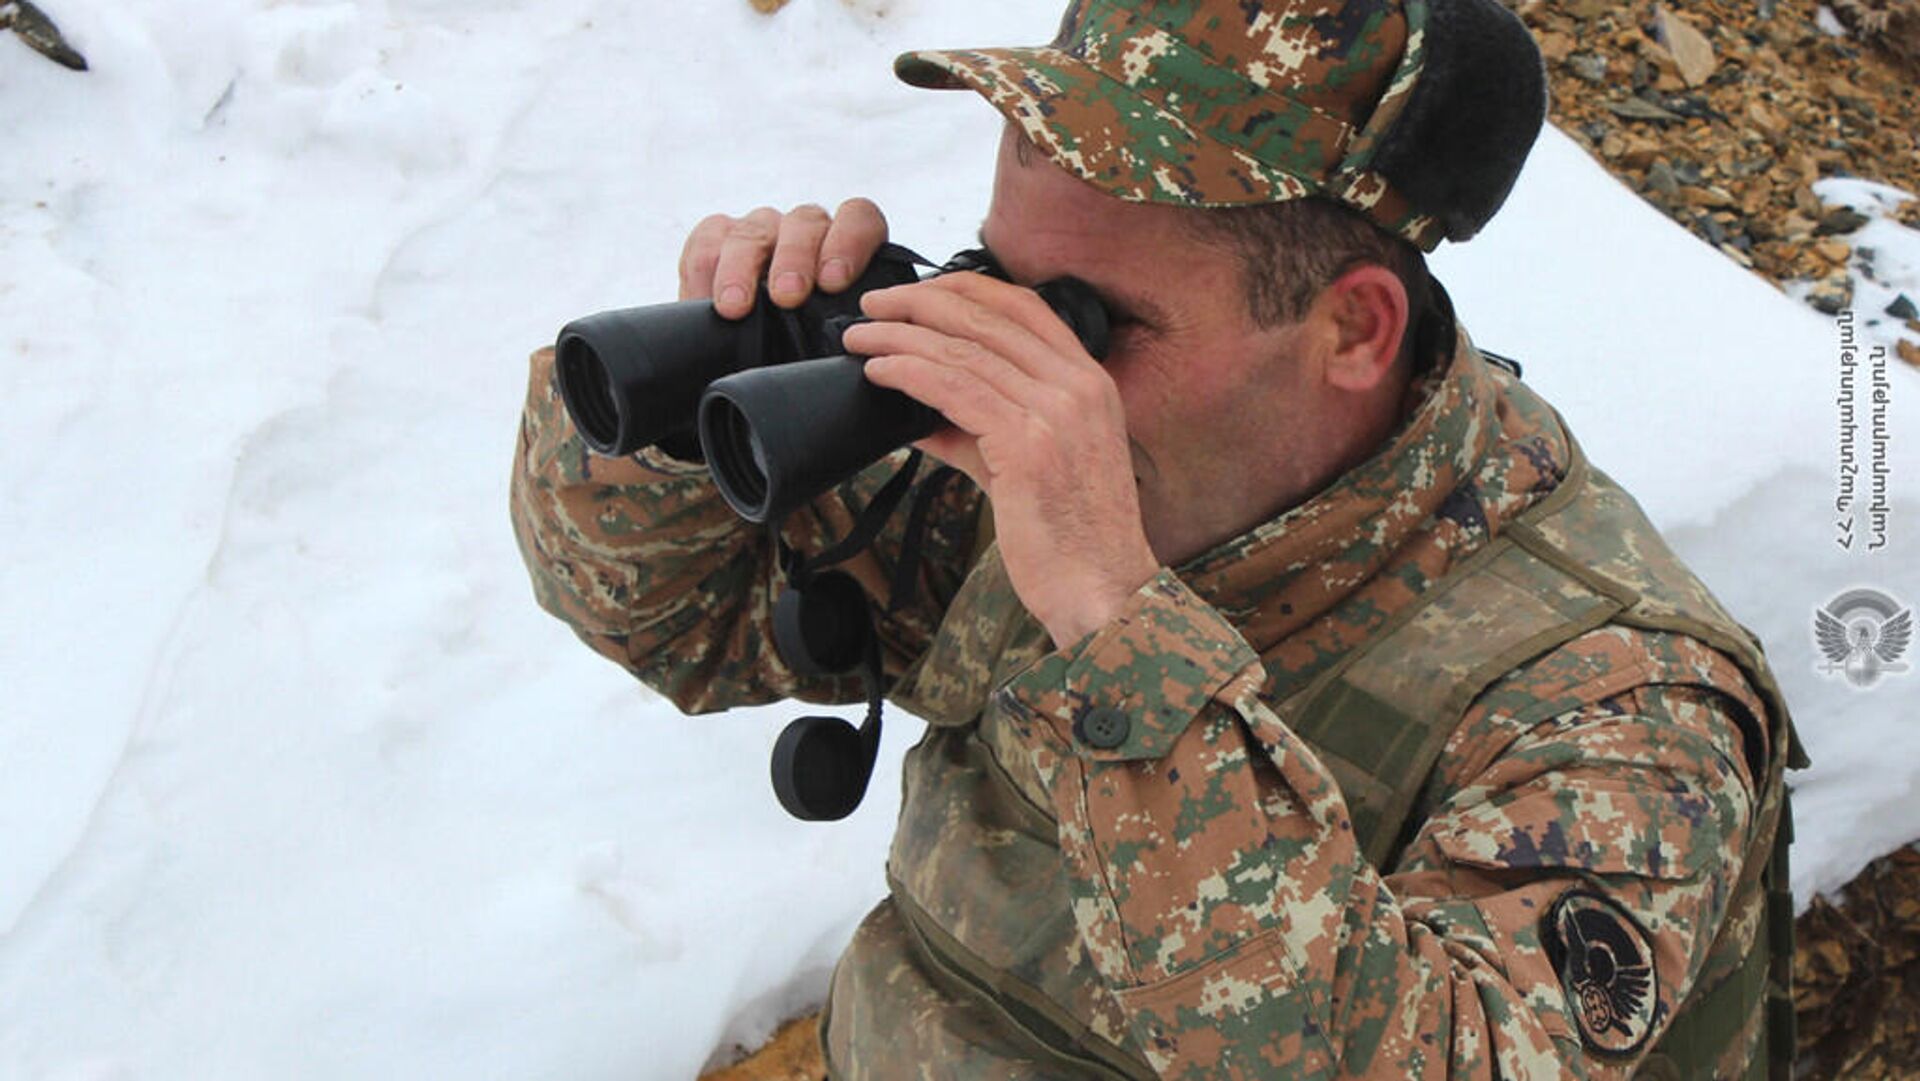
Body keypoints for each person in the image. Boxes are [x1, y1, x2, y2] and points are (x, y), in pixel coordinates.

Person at [510, 0, 1805, 1076]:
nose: (1015, 362)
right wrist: (684, 412)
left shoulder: (1616, 698)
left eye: (1085, 319)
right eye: (995, 278)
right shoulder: (1066, 445)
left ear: (1353, 331)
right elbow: (678, 624)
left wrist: (1123, 630)